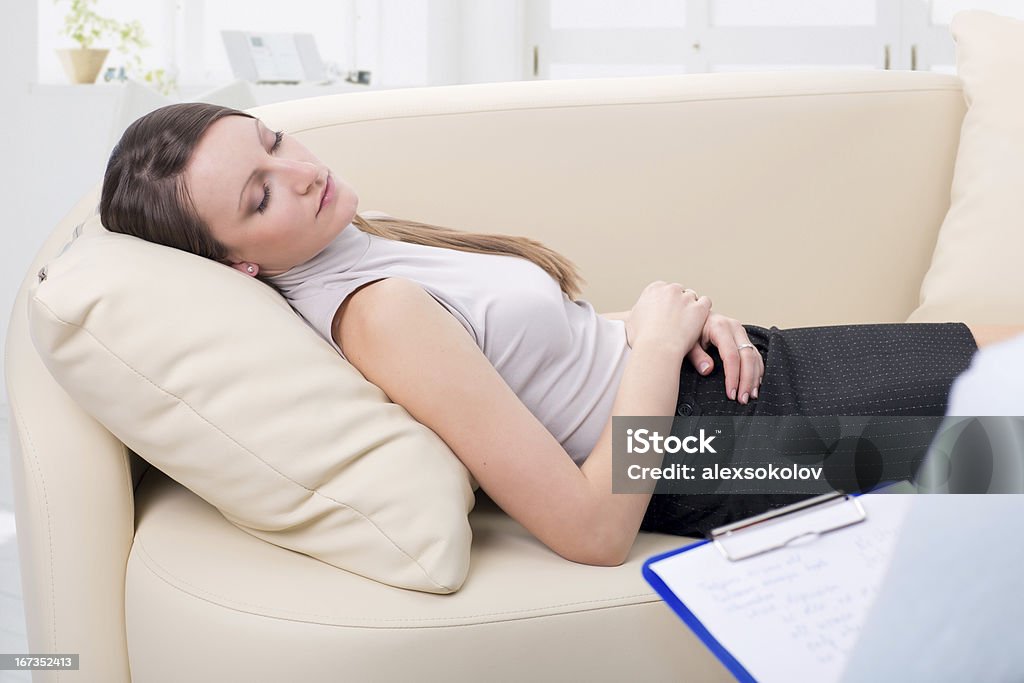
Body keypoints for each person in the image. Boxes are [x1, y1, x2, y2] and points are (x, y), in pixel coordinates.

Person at [98, 102, 1021, 567]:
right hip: (714, 451)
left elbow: (547, 353)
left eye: (273, 141)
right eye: (259, 196)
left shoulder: (356, 234)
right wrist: (657, 347)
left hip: (729, 384)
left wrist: (684, 323)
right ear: (237, 265)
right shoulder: (375, 312)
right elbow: (591, 528)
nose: (296, 173)